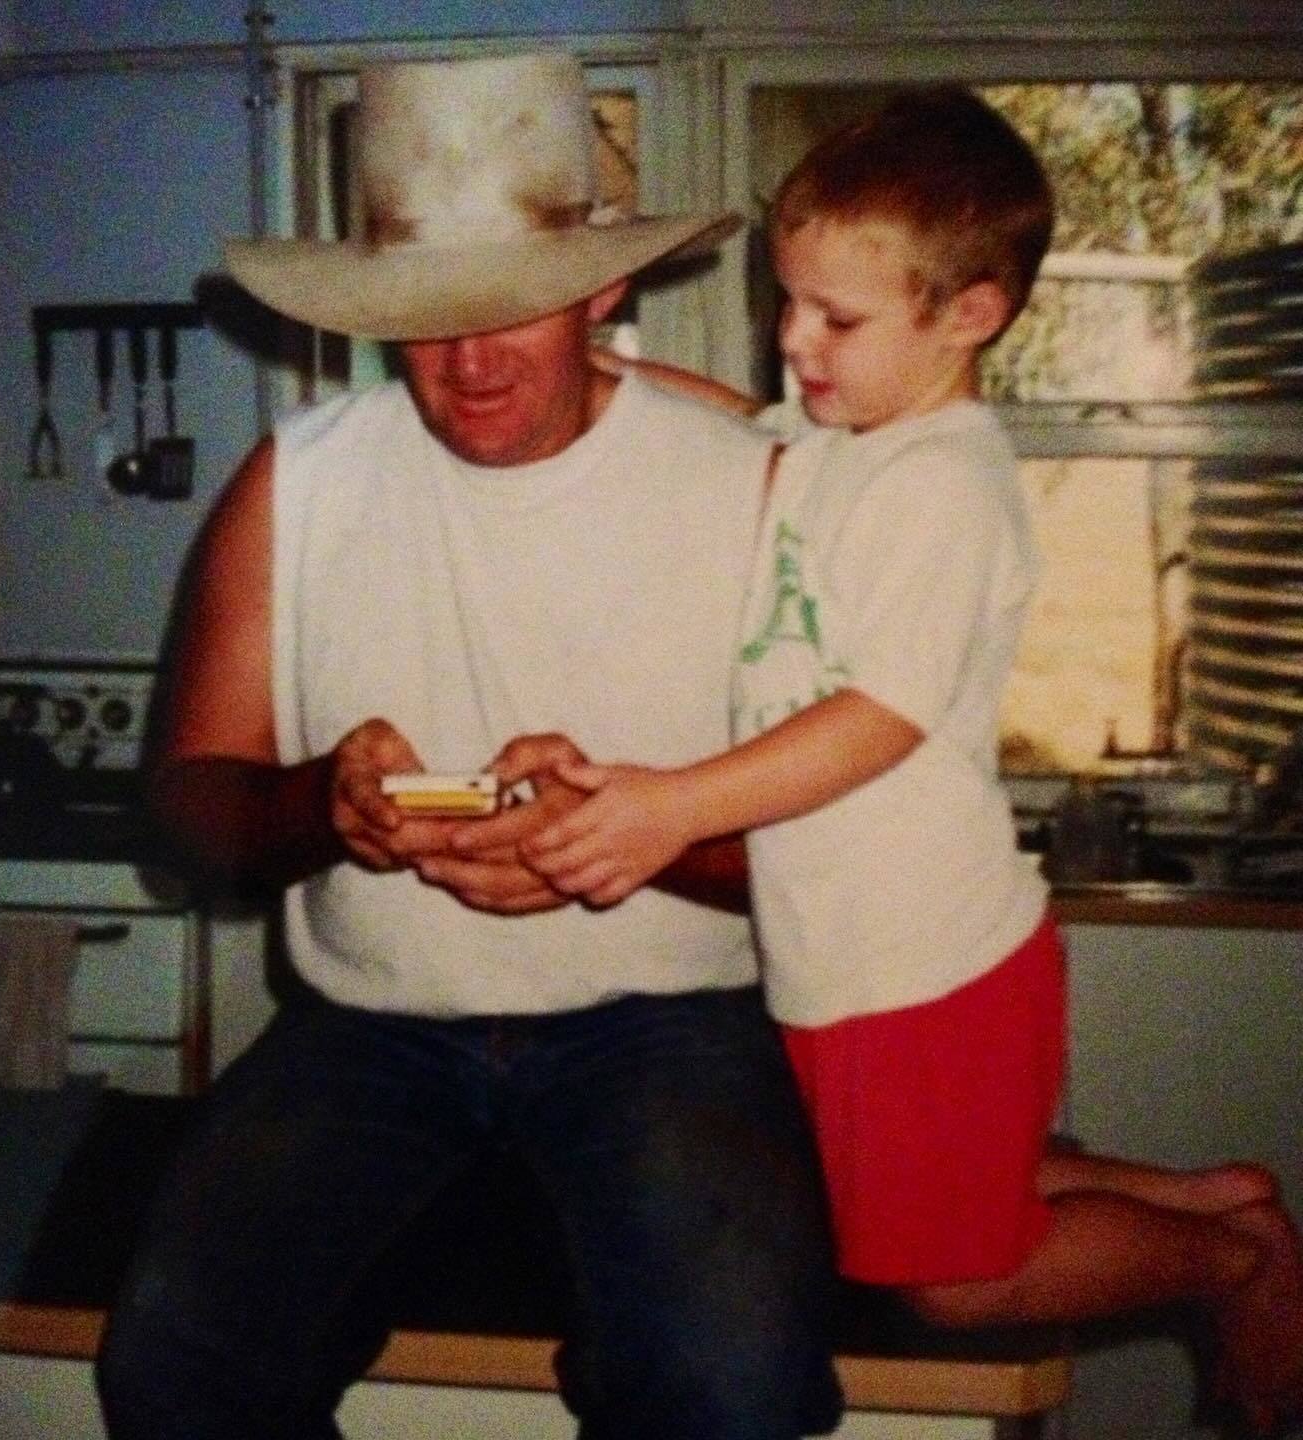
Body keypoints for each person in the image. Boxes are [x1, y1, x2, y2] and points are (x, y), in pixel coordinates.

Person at [502, 87, 1303, 1433]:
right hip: (848, 959)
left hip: (925, 966)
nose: (793, 341)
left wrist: (667, 808)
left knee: (947, 1284)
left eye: (837, 317)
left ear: (971, 315)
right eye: (788, 302)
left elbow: (880, 717)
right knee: (920, 1198)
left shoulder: (943, 482)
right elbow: (731, 432)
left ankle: (1235, 1265)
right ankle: (1211, 1200)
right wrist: (594, 370)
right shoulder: (838, 441)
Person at [94, 50, 842, 1440]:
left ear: (606, 288)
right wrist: (325, 807)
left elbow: (861, 849)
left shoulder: (755, 484)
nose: (474, 361)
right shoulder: (300, 484)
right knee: (172, 1376)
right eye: (428, 318)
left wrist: (645, 842)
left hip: (670, 1029)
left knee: (732, 1391)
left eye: (519, 309)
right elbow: (191, 803)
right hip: (366, 1033)